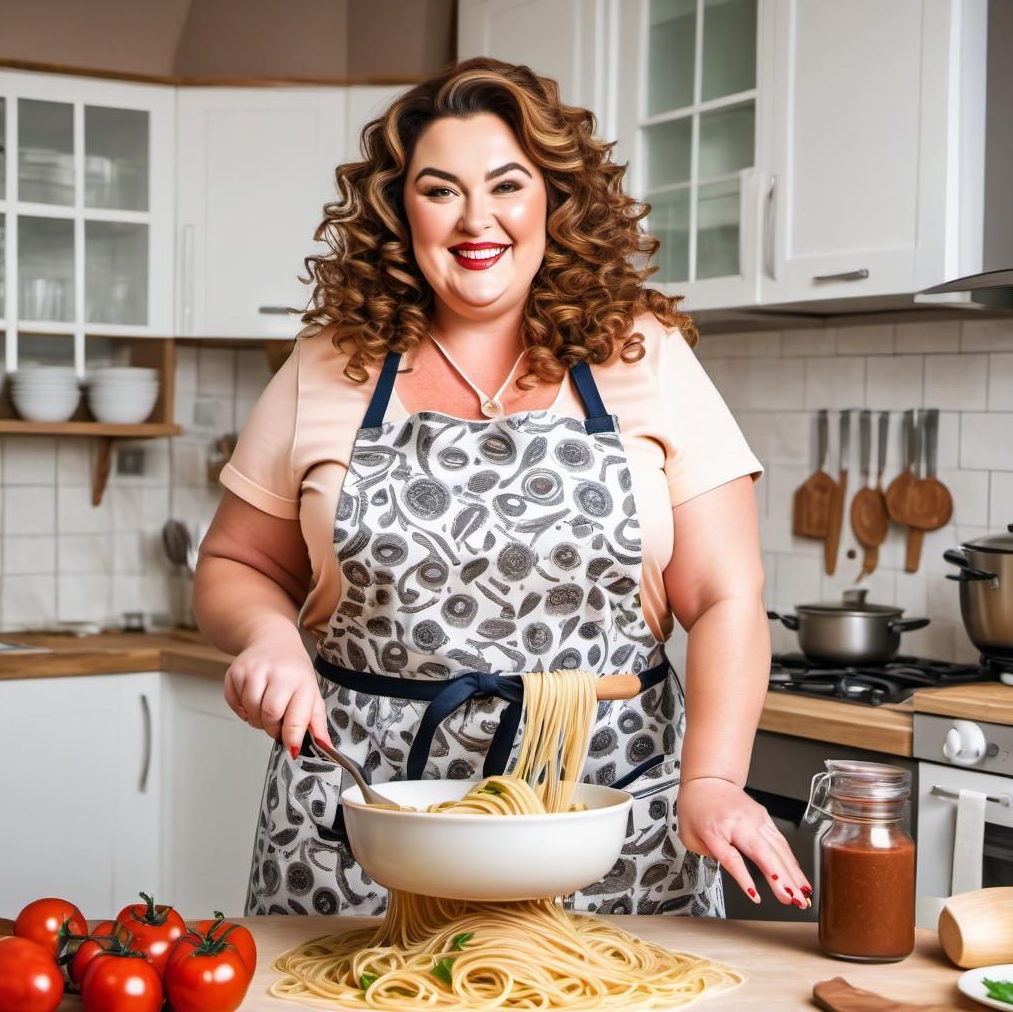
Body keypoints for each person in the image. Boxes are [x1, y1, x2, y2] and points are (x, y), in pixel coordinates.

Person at [194, 56, 811, 918]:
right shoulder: (329, 364)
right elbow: (234, 561)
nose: (476, 219)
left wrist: (711, 780)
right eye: (440, 190)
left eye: (508, 185)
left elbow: (725, 596)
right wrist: (266, 636)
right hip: (365, 816)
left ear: (555, 201)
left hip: (603, 816)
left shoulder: (645, 354)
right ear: (399, 210)